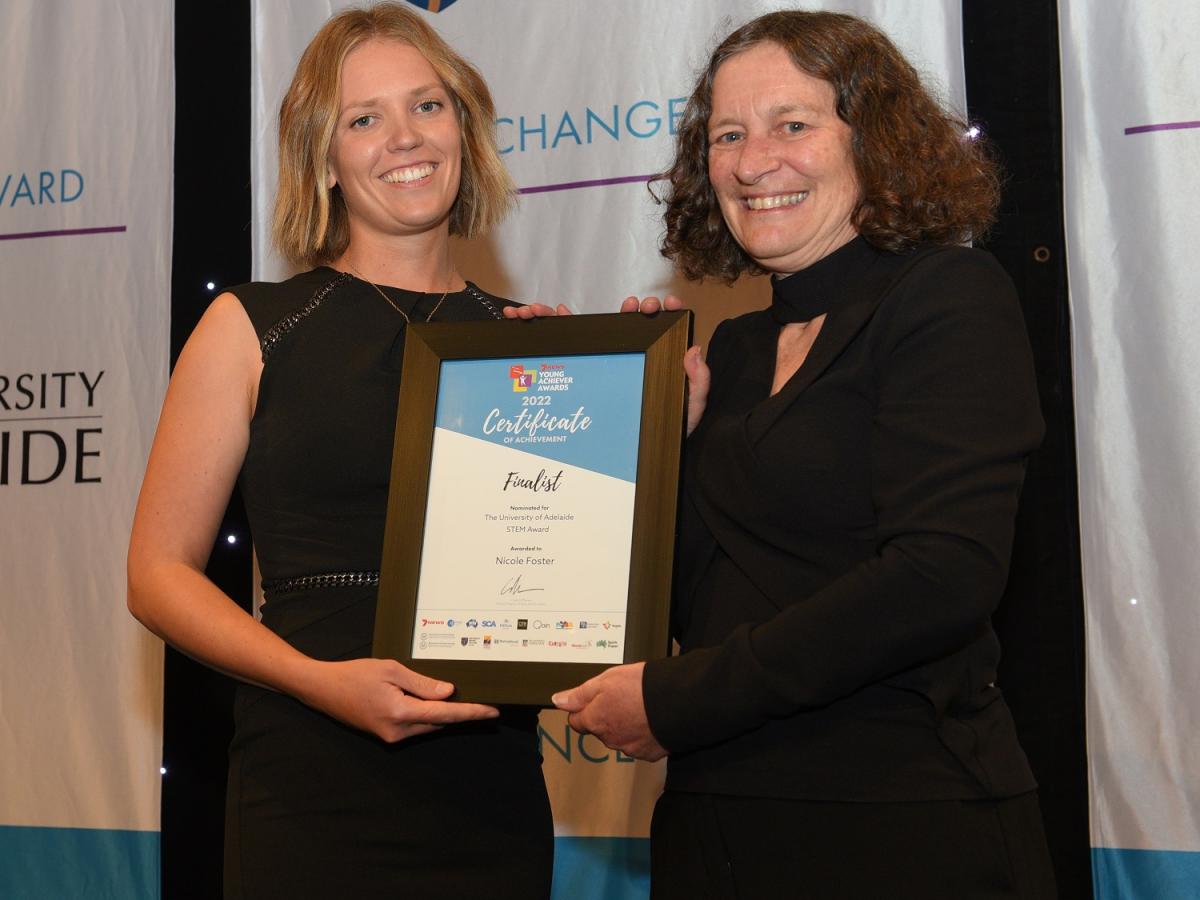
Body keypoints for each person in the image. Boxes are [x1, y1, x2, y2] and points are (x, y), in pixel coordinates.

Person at [551, 10, 1058, 899]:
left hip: (899, 820)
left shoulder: (947, 296)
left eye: (794, 125)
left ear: (877, 139)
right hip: (715, 820)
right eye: (729, 135)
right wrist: (647, 447)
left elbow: (942, 576)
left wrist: (681, 700)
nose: (754, 163)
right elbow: (692, 605)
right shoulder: (733, 353)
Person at [128, 5, 556, 897]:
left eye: (427, 107)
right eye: (364, 120)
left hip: (491, 790)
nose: (405, 138)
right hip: (308, 781)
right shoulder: (252, 327)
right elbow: (157, 575)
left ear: (465, 128)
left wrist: (650, 412)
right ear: (324, 160)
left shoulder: (527, 343)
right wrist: (318, 683)